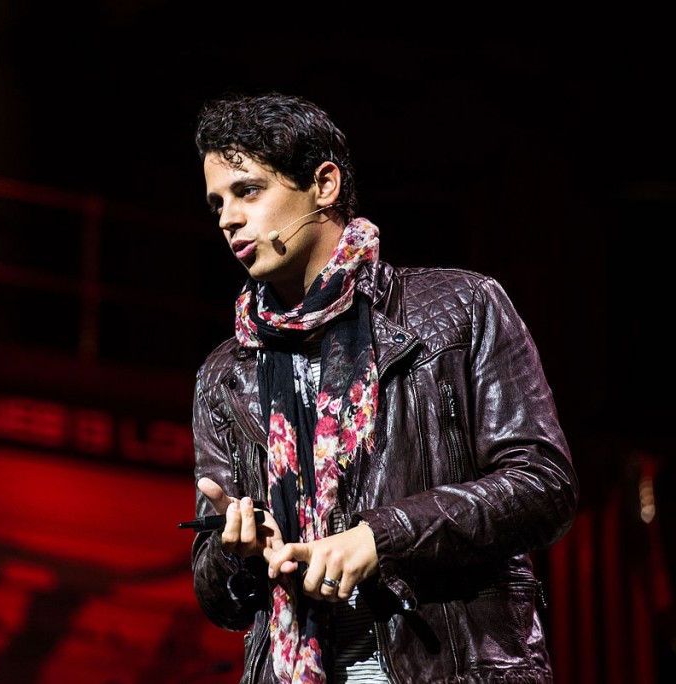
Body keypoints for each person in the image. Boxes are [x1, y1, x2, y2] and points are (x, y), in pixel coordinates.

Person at [187, 91, 579, 684]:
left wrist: (380, 537)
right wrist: (236, 554)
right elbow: (219, 601)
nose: (227, 218)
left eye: (248, 191)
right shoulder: (227, 373)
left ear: (323, 184)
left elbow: (543, 484)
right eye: (217, 202)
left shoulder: (460, 309)